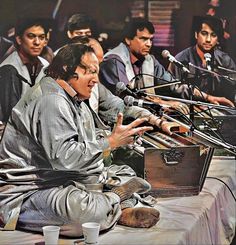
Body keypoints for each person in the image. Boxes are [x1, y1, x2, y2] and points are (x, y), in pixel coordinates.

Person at [0, 44, 161, 237]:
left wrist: (108, 153)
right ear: (68, 69)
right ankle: (117, 200)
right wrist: (110, 142)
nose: (95, 80)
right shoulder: (52, 100)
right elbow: (64, 159)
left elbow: (83, 151)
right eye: (91, 72)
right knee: (81, 212)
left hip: (62, 179)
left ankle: (113, 203)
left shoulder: (74, 99)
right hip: (26, 193)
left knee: (121, 172)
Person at [99, 17, 234, 110]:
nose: (149, 44)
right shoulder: (114, 60)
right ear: (128, 39)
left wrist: (208, 97)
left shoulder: (149, 60)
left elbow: (174, 85)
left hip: (144, 115)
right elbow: (126, 98)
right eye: (143, 39)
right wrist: (162, 103)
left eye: (151, 40)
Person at [169, 15, 236, 103]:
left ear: (218, 39)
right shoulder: (180, 59)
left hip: (219, 108)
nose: (208, 39)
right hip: (189, 108)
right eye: (204, 33)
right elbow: (171, 90)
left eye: (213, 35)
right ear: (196, 34)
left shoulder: (225, 60)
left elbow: (233, 87)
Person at [0, 18, 49, 124]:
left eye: (41, 37)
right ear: (19, 39)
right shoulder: (9, 69)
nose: (37, 42)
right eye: (31, 36)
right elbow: (11, 115)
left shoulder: (45, 65)